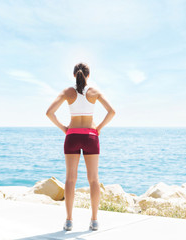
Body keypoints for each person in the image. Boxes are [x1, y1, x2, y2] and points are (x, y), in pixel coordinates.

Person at [46, 62, 115, 231]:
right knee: (93, 179)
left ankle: (69, 221)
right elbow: (112, 111)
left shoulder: (67, 92)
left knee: (70, 179)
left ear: (74, 75)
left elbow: (49, 113)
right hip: (91, 136)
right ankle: (94, 220)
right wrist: (98, 128)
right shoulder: (94, 92)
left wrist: (64, 128)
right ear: (88, 76)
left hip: (72, 136)